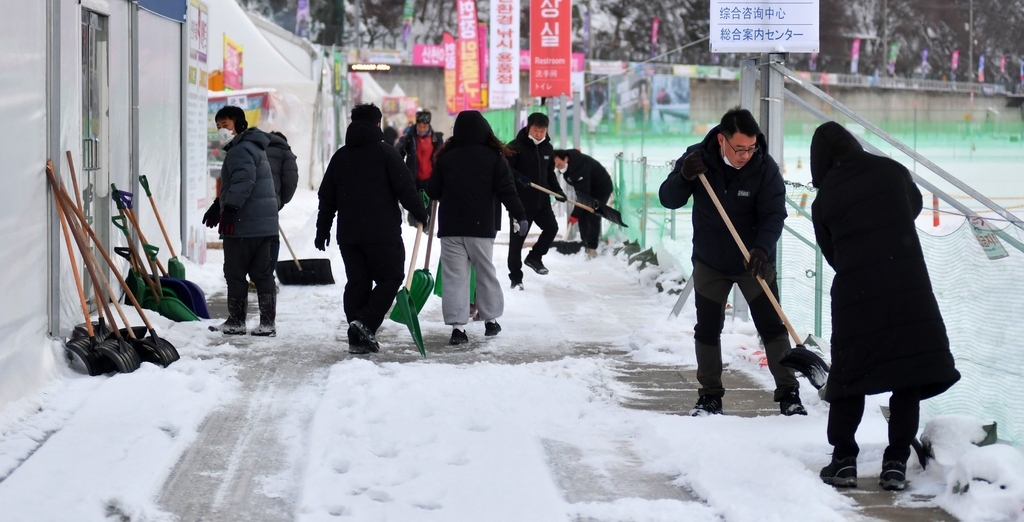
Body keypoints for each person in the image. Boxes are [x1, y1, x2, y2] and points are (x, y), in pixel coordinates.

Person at [810, 121, 960, 491]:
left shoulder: (825, 198)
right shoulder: (892, 171)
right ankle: (895, 463)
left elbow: (833, 254)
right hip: (908, 286)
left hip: (856, 295)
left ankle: (844, 460)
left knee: (849, 377)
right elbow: (914, 205)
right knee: (906, 374)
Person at [658, 107, 803, 417]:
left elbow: (774, 213)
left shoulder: (764, 168)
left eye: (751, 148)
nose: (745, 155)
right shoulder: (697, 159)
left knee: (772, 326)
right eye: (739, 149)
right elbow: (669, 199)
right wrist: (684, 176)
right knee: (708, 329)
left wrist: (763, 249)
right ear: (722, 140)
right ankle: (710, 395)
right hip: (711, 261)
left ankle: (789, 392)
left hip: (754, 261)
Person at [315, 104, 430, 355]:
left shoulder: (341, 156)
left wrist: (322, 229)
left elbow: (327, 197)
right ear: (377, 124)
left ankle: (357, 334)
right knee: (390, 278)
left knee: (358, 281)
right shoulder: (386, 153)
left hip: (349, 235)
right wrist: (421, 213)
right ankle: (365, 323)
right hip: (382, 233)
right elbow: (405, 188)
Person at [426, 110, 528, 344]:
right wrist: (520, 215)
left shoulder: (446, 158)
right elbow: (507, 191)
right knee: (484, 272)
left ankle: (458, 328)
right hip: (481, 227)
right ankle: (490, 321)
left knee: (455, 277)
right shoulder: (493, 157)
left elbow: (433, 191)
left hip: (451, 227)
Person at [202, 105, 280, 336]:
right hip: (263, 226)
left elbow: (244, 181)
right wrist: (219, 205)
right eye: (218, 127)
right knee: (262, 274)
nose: (221, 131)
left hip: (244, 225)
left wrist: (230, 209)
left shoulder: (240, 150)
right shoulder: (254, 147)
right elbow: (239, 182)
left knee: (235, 274)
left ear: (239, 125)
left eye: (225, 125)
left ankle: (236, 321)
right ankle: (268, 324)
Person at [506, 112, 567, 289]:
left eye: (542, 131)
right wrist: (520, 178)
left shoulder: (548, 148)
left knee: (552, 228)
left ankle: (534, 257)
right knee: (517, 242)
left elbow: (550, 174)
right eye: (535, 130)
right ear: (528, 128)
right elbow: (506, 170)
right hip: (521, 204)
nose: (539, 134)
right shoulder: (515, 147)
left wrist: (557, 191)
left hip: (542, 203)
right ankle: (516, 278)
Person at [553, 149, 614, 259]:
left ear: (566, 158)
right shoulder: (568, 166)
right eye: (556, 166)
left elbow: (583, 197)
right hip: (587, 188)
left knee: (592, 214)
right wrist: (577, 214)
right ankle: (584, 244)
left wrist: (575, 214)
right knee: (583, 214)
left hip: (601, 189)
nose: (559, 167)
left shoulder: (579, 167)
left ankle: (591, 248)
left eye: (560, 164)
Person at [397, 110, 444, 226]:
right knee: (414, 207)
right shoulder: (409, 138)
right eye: (420, 126)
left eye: (424, 126)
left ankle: (426, 231)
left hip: (429, 178)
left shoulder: (435, 139)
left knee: (428, 208)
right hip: (414, 178)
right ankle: (414, 229)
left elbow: (441, 158)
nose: (422, 129)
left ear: (429, 125)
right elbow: (398, 154)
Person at [264, 130, 299, 278]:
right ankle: (264, 278)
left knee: (252, 239)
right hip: (270, 202)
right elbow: (290, 181)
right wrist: (279, 201)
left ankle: (251, 277)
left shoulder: (255, 148)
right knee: (271, 240)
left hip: (247, 200)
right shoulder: (285, 152)